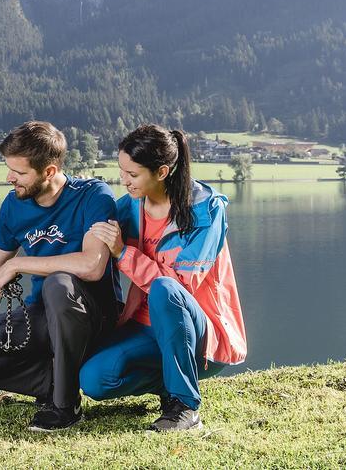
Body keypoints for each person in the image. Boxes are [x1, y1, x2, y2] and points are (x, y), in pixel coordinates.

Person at [0, 120, 119, 432]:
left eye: (19, 173)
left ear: (48, 171)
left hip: (91, 315)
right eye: (9, 170)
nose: (10, 178)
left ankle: (64, 406)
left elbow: (92, 265)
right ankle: (55, 382)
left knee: (59, 285)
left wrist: (20, 264)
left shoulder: (93, 195)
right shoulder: (14, 205)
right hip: (43, 315)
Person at [82, 124, 247, 431]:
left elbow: (181, 288)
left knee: (165, 289)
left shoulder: (206, 212)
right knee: (94, 380)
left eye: (133, 175)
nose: (124, 181)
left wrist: (123, 253)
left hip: (198, 332)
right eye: (122, 171)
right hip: (144, 328)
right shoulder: (131, 205)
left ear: (161, 172)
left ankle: (184, 406)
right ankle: (169, 382)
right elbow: (90, 231)